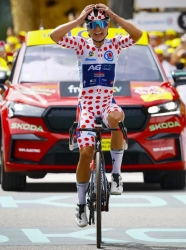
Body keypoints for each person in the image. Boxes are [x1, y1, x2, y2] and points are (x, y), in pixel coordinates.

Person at [50, 3, 142, 228]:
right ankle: (81, 204)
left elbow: (137, 34)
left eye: (101, 24)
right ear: (88, 28)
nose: (97, 29)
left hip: (107, 103)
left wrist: (111, 13)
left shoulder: (115, 44)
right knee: (86, 153)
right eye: (92, 25)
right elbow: (54, 35)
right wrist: (78, 19)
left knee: (116, 119)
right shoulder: (81, 44)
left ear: (107, 25)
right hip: (87, 107)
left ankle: (117, 176)